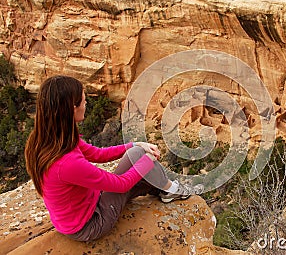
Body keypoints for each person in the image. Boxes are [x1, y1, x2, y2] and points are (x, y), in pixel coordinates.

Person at [25, 75, 203, 242]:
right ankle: (169, 190)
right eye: (83, 98)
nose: (86, 102)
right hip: (91, 223)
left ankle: (166, 189)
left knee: (136, 155)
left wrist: (134, 145)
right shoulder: (66, 163)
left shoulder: (50, 138)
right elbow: (121, 184)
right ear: (73, 108)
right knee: (140, 168)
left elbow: (97, 154)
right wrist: (147, 161)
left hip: (89, 204)